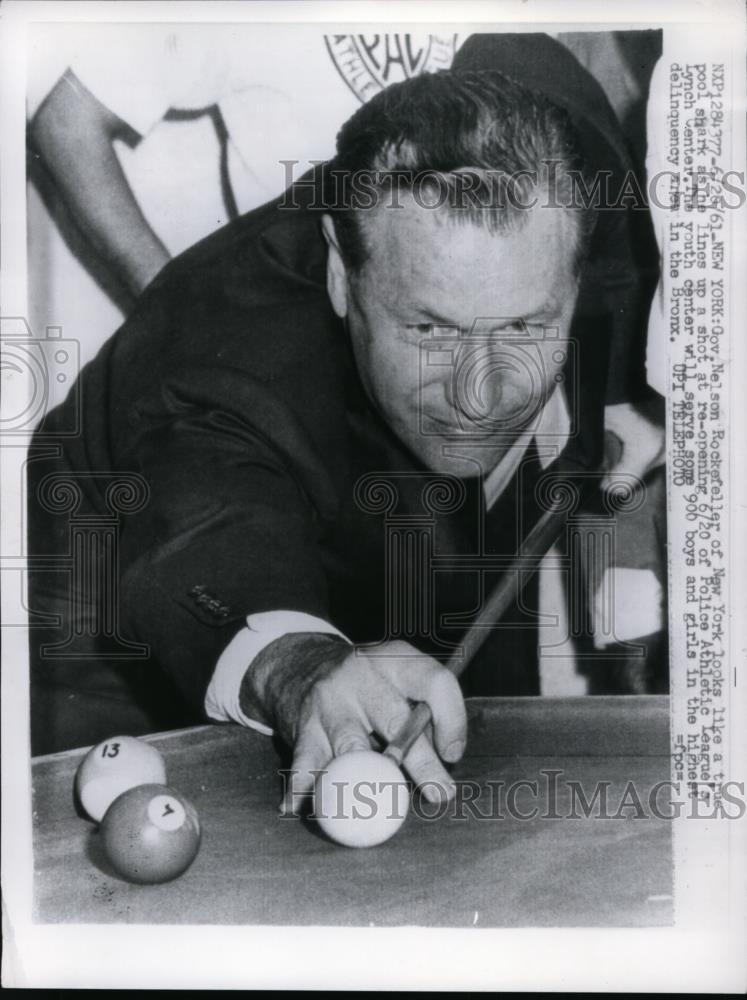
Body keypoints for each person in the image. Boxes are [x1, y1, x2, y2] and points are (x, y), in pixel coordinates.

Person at [27, 52, 662, 808]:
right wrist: (297, 666)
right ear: (338, 270)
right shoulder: (218, 368)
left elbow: (562, 96)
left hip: (408, 510)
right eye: (432, 327)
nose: (482, 393)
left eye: (526, 324)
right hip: (124, 591)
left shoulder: (569, 148)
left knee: (473, 782)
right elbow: (210, 532)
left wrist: (623, 385)